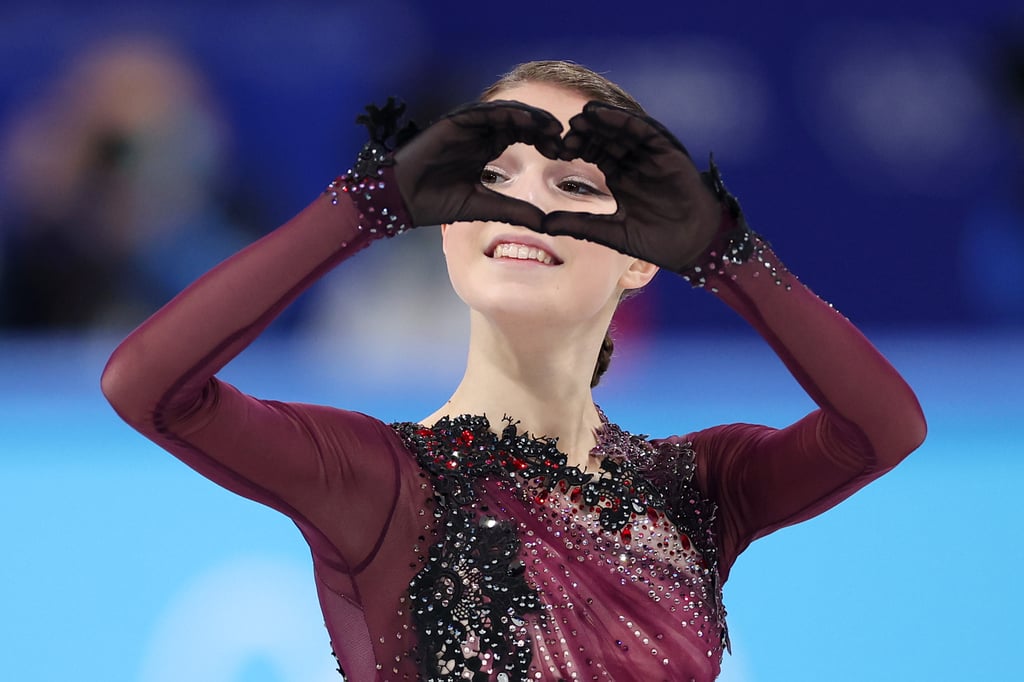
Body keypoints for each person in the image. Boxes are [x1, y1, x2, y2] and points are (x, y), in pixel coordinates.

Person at [101, 60, 927, 681]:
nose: (525, 205)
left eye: (573, 183)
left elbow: (883, 429)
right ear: (449, 226)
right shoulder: (380, 484)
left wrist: (727, 254)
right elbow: (148, 387)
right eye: (490, 177)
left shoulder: (699, 491)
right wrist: (365, 206)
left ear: (644, 257)